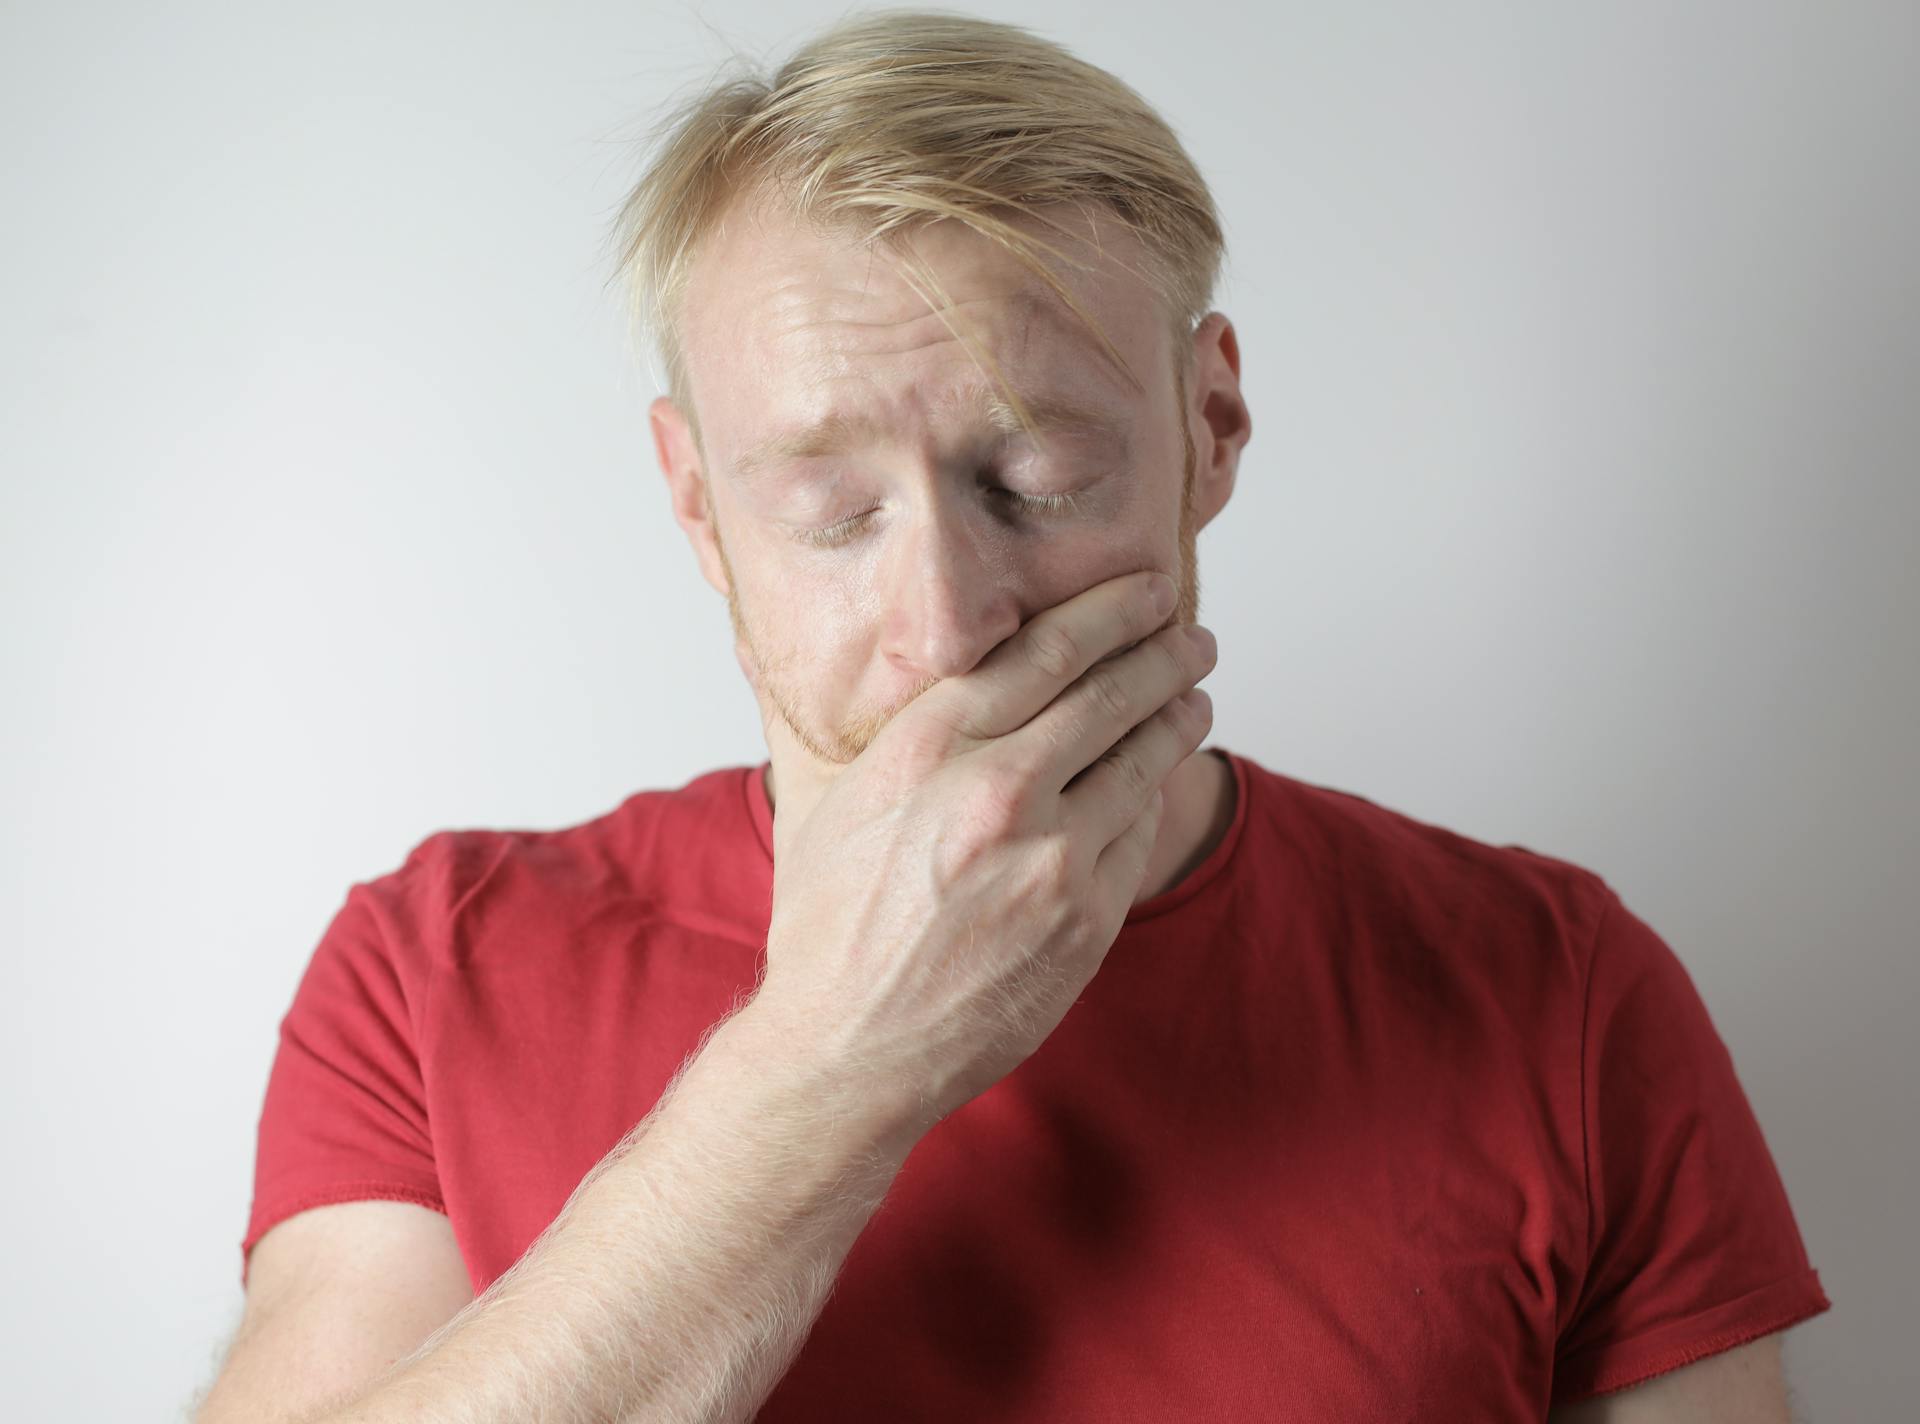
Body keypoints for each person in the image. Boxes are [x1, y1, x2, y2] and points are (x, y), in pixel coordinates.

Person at [195, 11, 1829, 1423]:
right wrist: (837, 1058)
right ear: (698, 512)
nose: (950, 619)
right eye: (831, 509)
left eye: (1037, 477)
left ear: (1211, 425)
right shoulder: (431, 968)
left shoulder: (1559, 987)